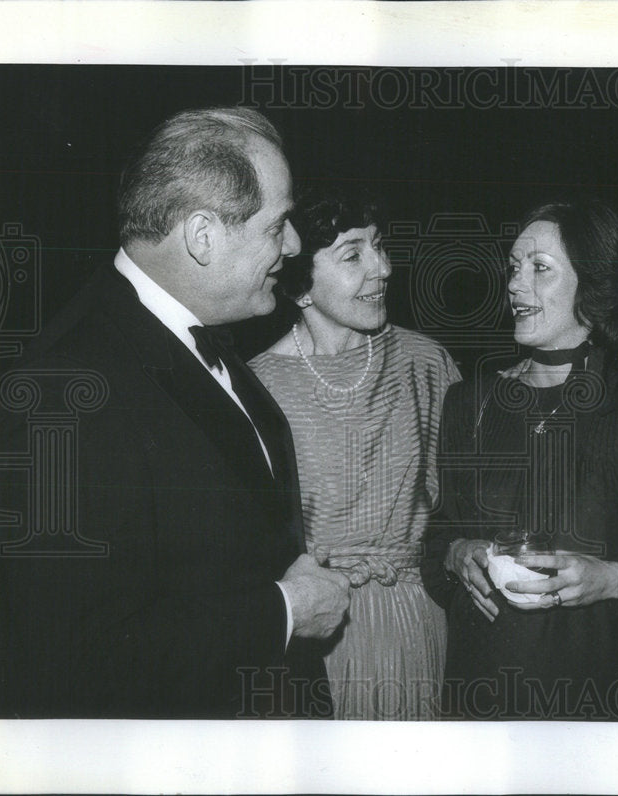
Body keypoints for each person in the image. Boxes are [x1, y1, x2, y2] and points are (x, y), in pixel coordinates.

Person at [0, 107, 350, 719]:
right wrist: (285, 610)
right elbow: (75, 660)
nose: (293, 245)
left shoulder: (193, 333)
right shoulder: (67, 391)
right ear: (202, 236)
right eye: (277, 224)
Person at [421, 200, 618, 720]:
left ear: (594, 286)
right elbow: (435, 536)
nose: (515, 284)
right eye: (513, 268)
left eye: (540, 268)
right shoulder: (469, 403)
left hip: (604, 698)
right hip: (485, 691)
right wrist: (455, 553)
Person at [249, 187, 461, 719]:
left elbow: (467, 507)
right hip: (312, 630)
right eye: (353, 255)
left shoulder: (424, 363)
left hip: (415, 621)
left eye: (379, 246)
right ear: (300, 286)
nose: (382, 268)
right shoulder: (255, 387)